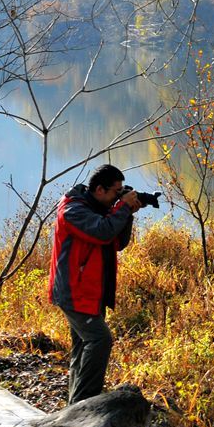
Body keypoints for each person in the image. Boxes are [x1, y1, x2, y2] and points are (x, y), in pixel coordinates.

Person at [48, 164, 145, 404]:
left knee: (82, 347)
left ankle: (75, 406)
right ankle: (84, 406)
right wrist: (122, 209)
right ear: (100, 189)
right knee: (100, 340)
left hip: (90, 290)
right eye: (116, 192)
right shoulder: (73, 211)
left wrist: (127, 212)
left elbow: (116, 241)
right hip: (74, 291)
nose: (118, 197)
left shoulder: (98, 207)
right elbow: (102, 232)